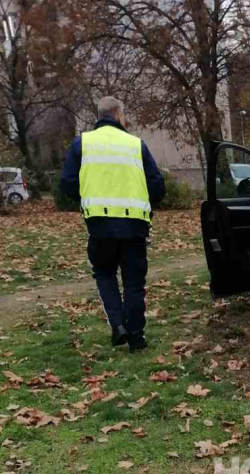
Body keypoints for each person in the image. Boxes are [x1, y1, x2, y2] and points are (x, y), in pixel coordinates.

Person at [60, 96, 166, 352]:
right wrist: (144, 203)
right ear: (119, 115)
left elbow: (67, 183)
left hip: (99, 224)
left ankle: (118, 325)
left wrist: (88, 199)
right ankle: (137, 338)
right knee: (133, 283)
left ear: (100, 115)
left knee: (105, 274)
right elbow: (157, 185)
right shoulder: (135, 145)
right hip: (134, 224)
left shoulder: (82, 144)